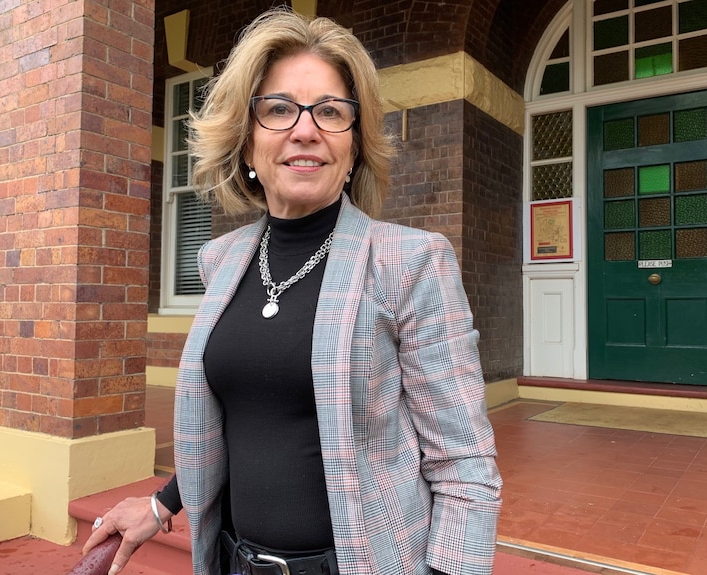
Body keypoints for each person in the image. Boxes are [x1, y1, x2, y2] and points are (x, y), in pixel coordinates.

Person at [82, 7, 501, 575]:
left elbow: (465, 462)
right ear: (247, 142)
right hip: (234, 563)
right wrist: (163, 503)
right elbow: (243, 419)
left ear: (353, 144)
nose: (306, 129)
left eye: (330, 111)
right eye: (278, 109)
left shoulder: (409, 261)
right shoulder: (222, 261)